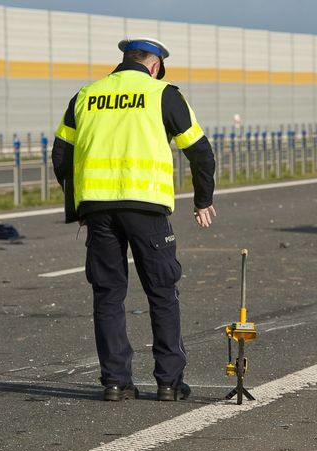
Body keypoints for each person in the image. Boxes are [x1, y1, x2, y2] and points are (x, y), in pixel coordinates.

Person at [52, 37, 216, 402]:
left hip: (97, 208)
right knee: (162, 292)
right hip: (146, 207)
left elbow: (62, 153)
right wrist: (203, 200)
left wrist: (78, 206)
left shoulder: (86, 94)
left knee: (108, 294)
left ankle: (115, 382)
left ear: (125, 59)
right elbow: (200, 151)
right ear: (155, 65)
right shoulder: (163, 95)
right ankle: (169, 383)